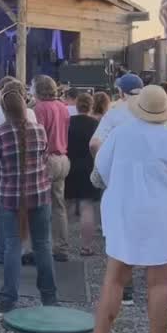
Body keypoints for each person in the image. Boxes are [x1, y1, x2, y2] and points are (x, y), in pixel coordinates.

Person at [78, 85, 167, 333]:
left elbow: (97, 178)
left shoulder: (120, 134)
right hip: (162, 216)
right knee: (158, 283)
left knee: (115, 279)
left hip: (123, 214)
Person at [0, 81, 57, 311]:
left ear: (5, 109)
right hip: (40, 196)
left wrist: (7, 177)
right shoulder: (39, 130)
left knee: (12, 247)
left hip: (11, 198)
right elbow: (44, 159)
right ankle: (49, 297)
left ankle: (8, 299)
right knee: (43, 246)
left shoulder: (0, 133)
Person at [32, 75, 71, 261]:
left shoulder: (39, 108)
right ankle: (61, 247)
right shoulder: (63, 107)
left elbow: (38, 136)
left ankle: (39, 246)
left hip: (46, 160)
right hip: (63, 158)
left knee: (38, 205)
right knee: (59, 205)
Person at [66, 92, 99, 256]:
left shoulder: (68, 122)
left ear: (77, 106)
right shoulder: (96, 124)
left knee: (65, 206)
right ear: (90, 106)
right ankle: (86, 246)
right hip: (89, 167)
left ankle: (61, 244)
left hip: (70, 166)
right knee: (87, 207)